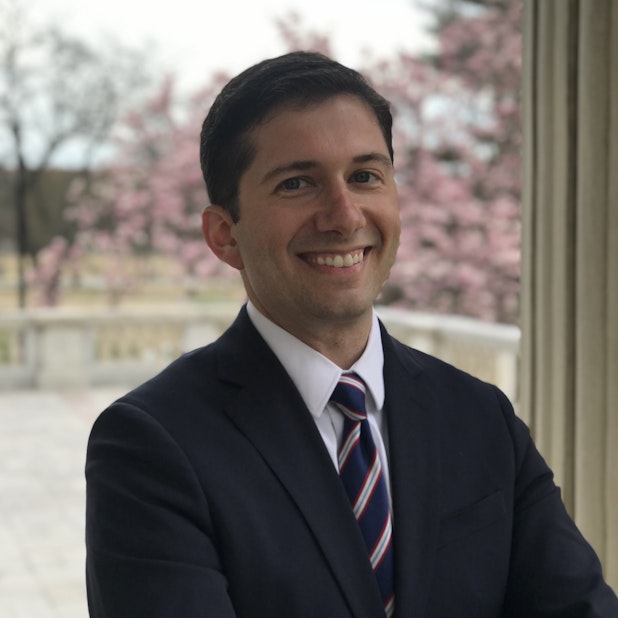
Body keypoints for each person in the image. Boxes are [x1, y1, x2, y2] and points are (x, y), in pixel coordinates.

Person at [85, 51, 618, 617]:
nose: (344, 216)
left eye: (365, 177)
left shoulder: (482, 417)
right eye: (297, 183)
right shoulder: (152, 446)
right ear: (224, 235)